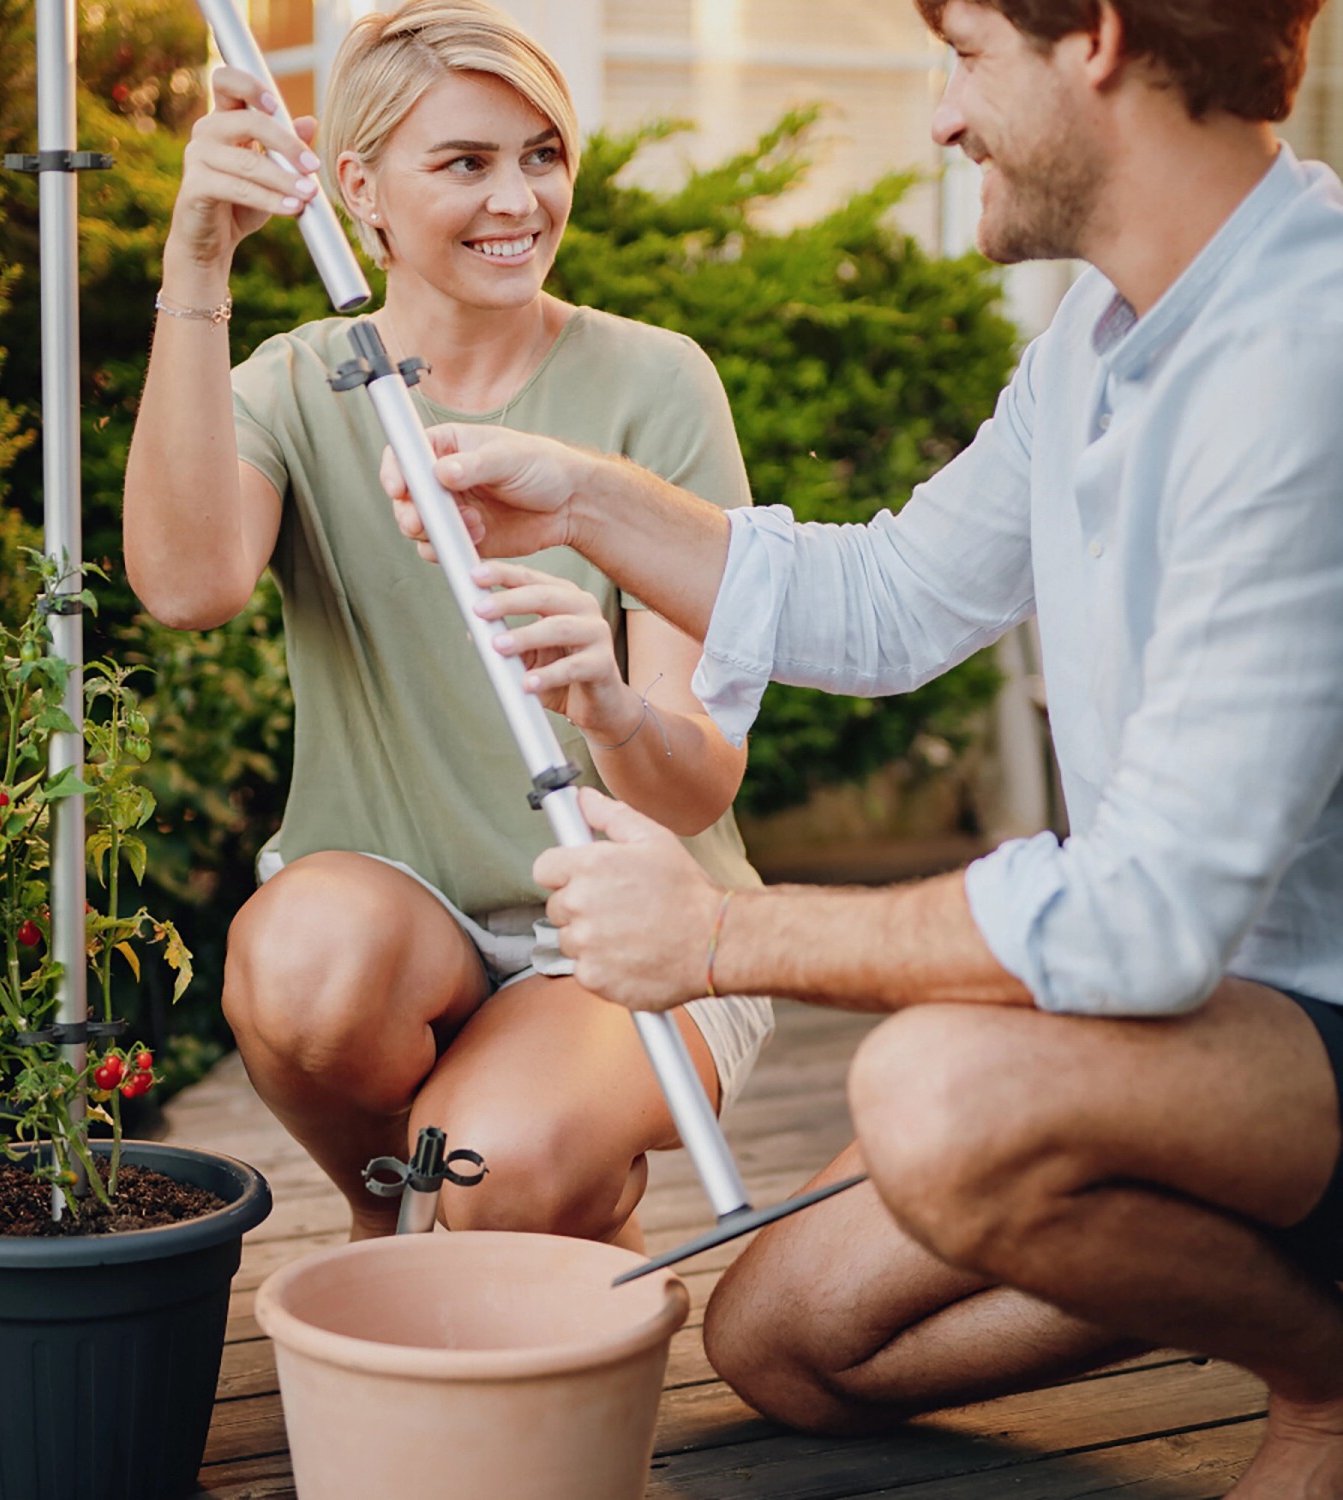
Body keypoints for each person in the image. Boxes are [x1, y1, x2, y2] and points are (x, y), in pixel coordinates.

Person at [385, 0, 1343, 1491]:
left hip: (1307, 1020)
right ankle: (1221, 1255)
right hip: (1193, 1024)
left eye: (965, 56)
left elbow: (1145, 918)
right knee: (786, 1341)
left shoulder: (1308, 361)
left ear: (1090, 37)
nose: (945, 117)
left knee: (941, 1098)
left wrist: (715, 938)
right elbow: (890, 601)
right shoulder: (1105, 334)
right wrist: (577, 496)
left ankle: (1323, 1379)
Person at [122, 0, 773, 1249]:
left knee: (491, 1171)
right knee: (303, 971)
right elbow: (187, 589)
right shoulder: (300, 385)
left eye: (542, 154)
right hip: (397, 921)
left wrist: (613, 706)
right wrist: (197, 257)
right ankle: (398, 1215)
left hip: (628, 929)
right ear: (357, 185)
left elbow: (696, 791)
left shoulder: (655, 382)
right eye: (465, 162)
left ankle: (529, 1177)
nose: (519, 200)